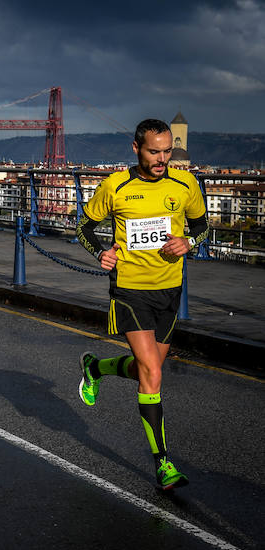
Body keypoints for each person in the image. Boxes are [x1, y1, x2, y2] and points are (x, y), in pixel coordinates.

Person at [76, 118, 208, 491]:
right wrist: (101, 252)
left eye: (167, 151)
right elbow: (82, 227)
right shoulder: (115, 186)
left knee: (144, 370)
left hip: (169, 290)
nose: (162, 158)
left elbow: (202, 226)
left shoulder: (185, 184)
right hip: (130, 291)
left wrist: (189, 243)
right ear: (136, 148)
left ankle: (96, 368)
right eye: (154, 151)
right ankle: (163, 464)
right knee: (152, 373)